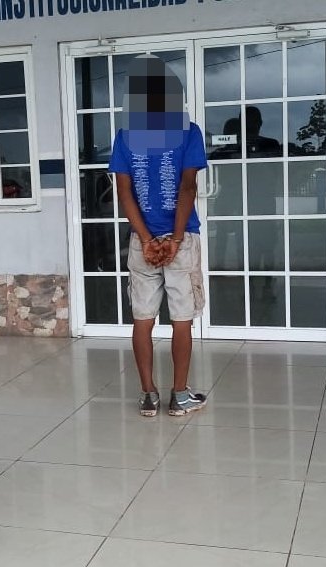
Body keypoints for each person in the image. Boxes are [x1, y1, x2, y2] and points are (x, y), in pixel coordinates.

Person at [109, 55, 208, 417]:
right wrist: (176, 239)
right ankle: (179, 396)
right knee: (182, 319)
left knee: (143, 319)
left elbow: (124, 193)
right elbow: (187, 187)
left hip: (143, 242)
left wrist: (147, 239)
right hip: (181, 238)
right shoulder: (188, 132)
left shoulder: (125, 136)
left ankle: (148, 394)